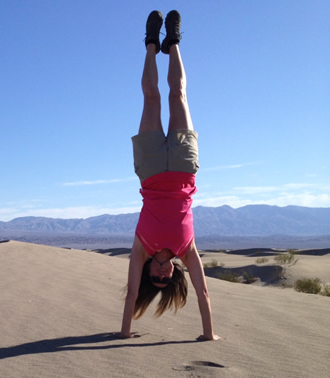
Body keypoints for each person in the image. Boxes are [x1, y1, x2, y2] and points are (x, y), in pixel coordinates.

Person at [118, 10, 219, 341]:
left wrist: (123, 333)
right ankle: (173, 42)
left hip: (149, 170)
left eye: (155, 278)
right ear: (176, 273)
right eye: (166, 278)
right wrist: (209, 335)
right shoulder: (187, 249)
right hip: (183, 168)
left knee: (152, 96)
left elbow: (131, 295)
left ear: (148, 271)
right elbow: (203, 295)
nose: (161, 274)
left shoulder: (141, 249)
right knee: (178, 96)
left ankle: (150, 43)